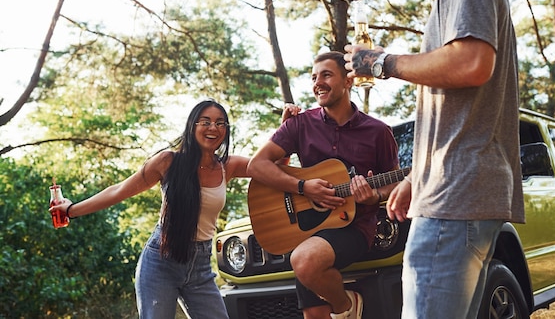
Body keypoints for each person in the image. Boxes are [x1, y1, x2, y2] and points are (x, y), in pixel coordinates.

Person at [344, 0, 525, 318]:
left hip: (455, 196)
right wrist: (416, 178)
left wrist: (380, 62)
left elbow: (472, 63)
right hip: (451, 191)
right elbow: (456, 116)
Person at [49, 99, 249, 319]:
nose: (213, 128)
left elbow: (271, 166)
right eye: (206, 121)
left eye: (220, 123)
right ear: (192, 126)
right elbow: (119, 190)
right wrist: (71, 210)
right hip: (161, 262)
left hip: (200, 267)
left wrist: (287, 126)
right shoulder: (168, 161)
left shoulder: (227, 166)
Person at [247, 51, 399, 319]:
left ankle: (345, 307)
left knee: (304, 260)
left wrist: (373, 195)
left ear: (348, 81)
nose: (318, 82)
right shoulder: (299, 124)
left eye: (326, 75)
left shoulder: (378, 132)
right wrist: (303, 187)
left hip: (354, 228)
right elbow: (256, 165)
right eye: (314, 77)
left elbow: (395, 180)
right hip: (309, 227)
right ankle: (345, 306)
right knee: (314, 313)